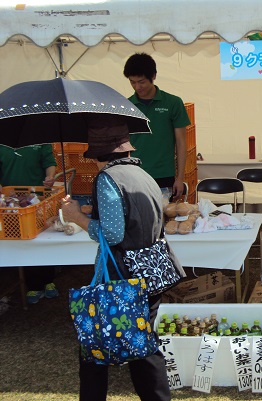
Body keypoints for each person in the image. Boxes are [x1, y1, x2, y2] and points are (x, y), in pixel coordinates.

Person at [60, 114, 185, 401]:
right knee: (143, 347)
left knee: (94, 346)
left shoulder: (108, 179)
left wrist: (77, 216)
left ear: (95, 154)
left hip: (121, 277)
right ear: (127, 149)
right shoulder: (143, 174)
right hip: (151, 273)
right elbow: (137, 217)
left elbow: (112, 235)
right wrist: (96, 210)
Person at [123, 52, 191, 200]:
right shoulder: (127, 106)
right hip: (136, 174)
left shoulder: (173, 103)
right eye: (132, 82)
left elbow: (181, 142)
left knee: (165, 216)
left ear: (153, 76)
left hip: (165, 174)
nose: (137, 87)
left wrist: (180, 178)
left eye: (141, 82)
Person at [0, 144, 59, 304]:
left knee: (44, 239)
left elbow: (49, 162)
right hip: (12, 202)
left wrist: (50, 177)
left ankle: (49, 280)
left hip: (39, 198)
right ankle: (33, 284)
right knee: (23, 240)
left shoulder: (40, 140)